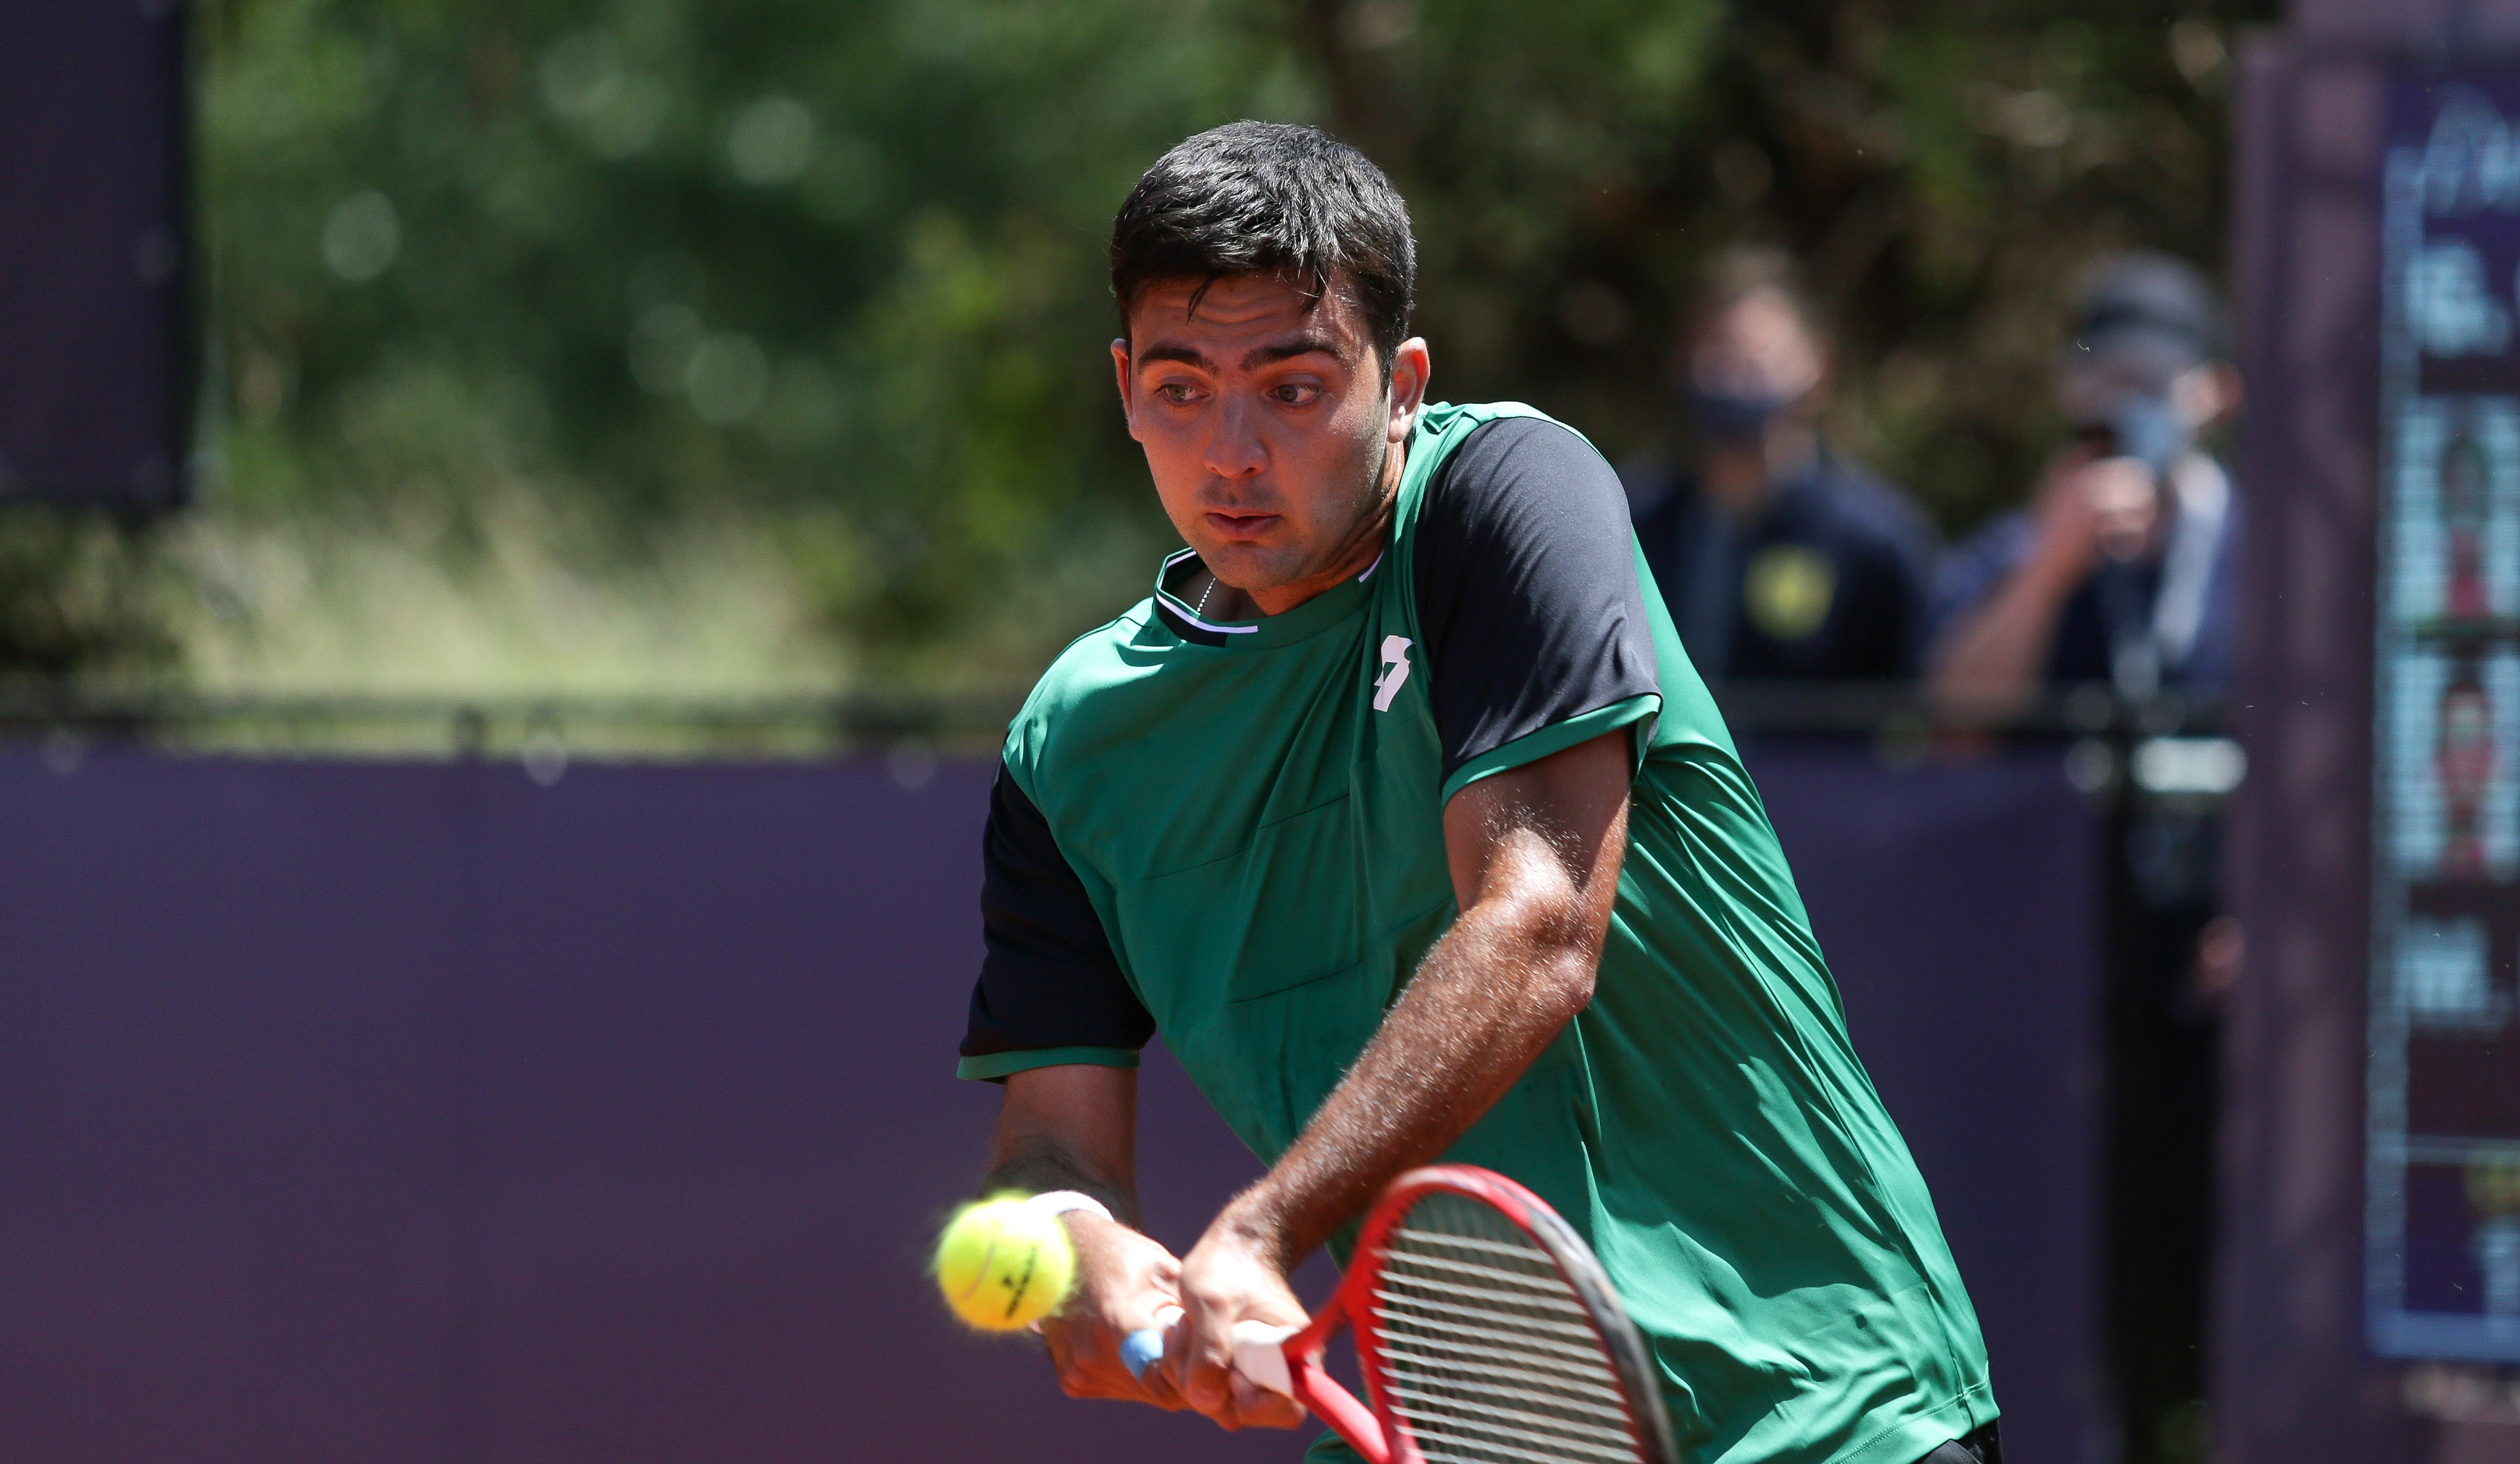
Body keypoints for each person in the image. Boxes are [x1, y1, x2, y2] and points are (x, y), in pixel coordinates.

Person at [955, 122, 2000, 1464]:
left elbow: (1541, 921)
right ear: (1123, 388)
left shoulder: (1507, 494)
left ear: (1400, 385)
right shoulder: (1073, 741)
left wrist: (1264, 1228)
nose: (1229, 452)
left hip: (1822, 1407)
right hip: (1459, 1429)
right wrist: (1079, 1249)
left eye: (1291, 387)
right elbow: (1050, 1143)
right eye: (1178, 388)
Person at [1926, 254, 2243, 715]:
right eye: (2101, 379)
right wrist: (2046, 570)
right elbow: (1951, 724)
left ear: (2216, 394)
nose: (2121, 404)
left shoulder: (2272, 554)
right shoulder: (2013, 547)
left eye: (2149, 382)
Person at [1626, 249, 1938, 682]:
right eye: (1714, 356)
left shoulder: (1875, 540)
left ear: (1817, 369)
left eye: (1754, 361)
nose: (1729, 380)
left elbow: (1919, 706)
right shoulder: (1630, 522)